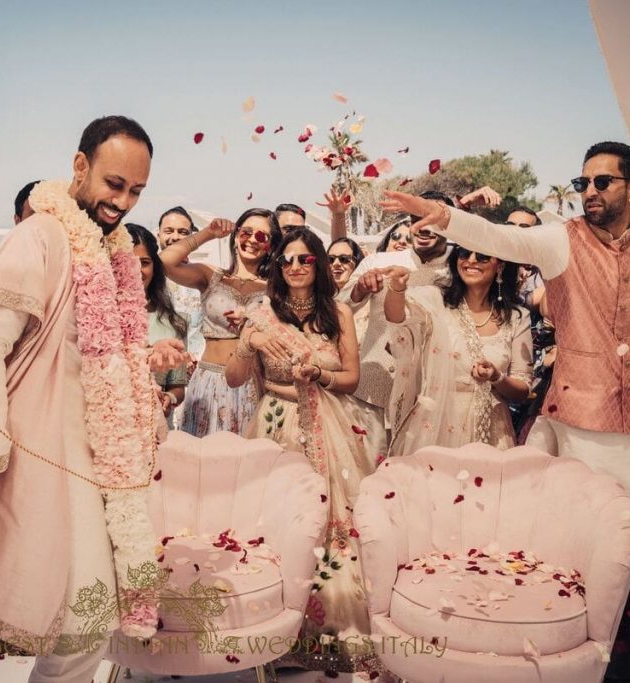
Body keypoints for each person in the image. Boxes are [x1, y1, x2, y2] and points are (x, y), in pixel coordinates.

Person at [380, 141, 630, 683]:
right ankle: (564, 660)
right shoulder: (562, 241)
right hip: (577, 424)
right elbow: (497, 237)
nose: (589, 192)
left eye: (602, 182)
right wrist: (441, 215)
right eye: (582, 182)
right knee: (568, 547)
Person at [0, 116, 186, 681]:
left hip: (93, 460)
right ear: (79, 166)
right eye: (115, 184)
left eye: (136, 191)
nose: (123, 202)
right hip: (37, 455)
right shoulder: (40, 236)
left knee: (86, 621)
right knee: (47, 620)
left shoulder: (112, 253)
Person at [225, 228, 375, 675]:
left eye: (304, 260)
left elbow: (351, 377)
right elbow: (234, 378)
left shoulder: (339, 312)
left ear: (319, 265)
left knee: (332, 524)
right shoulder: (262, 313)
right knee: (275, 522)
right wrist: (246, 343)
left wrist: (319, 376)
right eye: (287, 260)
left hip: (329, 426)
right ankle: (272, 630)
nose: (294, 267)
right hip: (274, 426)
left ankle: (326, 631)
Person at [337, 192, 457, 466]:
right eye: (416, 219)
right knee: (363, 479)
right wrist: (358, 291)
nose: (423, 228)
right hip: (371, 395)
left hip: (428, 401)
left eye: (432, 221)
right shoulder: (377, 263)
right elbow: (335, 311)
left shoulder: (459, 271)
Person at [382, 246, 533, 455]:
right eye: (464, 253)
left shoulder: (517, 317)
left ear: (500, 266)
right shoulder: (436, 301)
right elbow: (397, 319)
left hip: (492, 431)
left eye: (481, 256)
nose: (471, 260)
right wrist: (397, 288)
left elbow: (523, 389)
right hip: (438, 424)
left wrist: (497, 377)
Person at [160, 208, 283, 437]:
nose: (251, 241)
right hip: (207, 381)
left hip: (251, 384)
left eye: (261, 236)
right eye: (246, 232)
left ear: (271, 245)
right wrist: (208, 233)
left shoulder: (276, 288)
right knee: (202, 461)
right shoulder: (211, 276)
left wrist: (252, 319)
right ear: (235, 236)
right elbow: (165, 262)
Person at [129, 223, 189, 429]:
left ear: (154, 267)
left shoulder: (174, 322)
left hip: (156, 431)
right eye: (128, 262)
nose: (137, 270)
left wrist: (169, 398)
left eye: (144, 262)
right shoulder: (97, 317)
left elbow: (178, 387)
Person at [156, 206, 205, 360]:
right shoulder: (145, 277)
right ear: (158, 235)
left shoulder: (203, 277)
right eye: (169, 231)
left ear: (192, 238)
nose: (176, 237)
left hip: (197, 372)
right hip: (157, 369)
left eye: (183, 232)